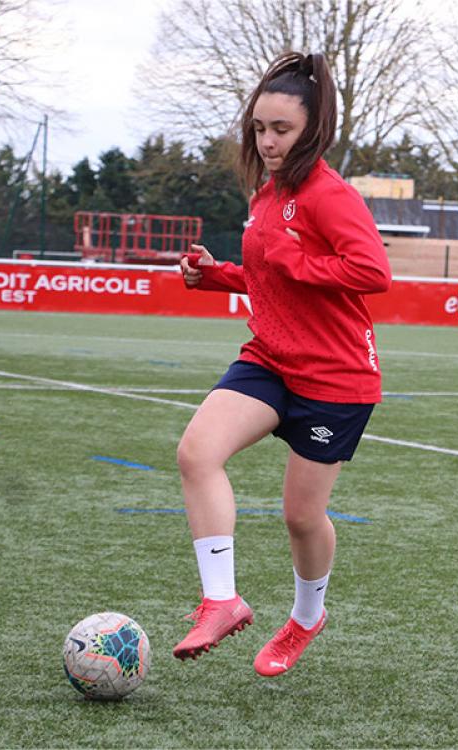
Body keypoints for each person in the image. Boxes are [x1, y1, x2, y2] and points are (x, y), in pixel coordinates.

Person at [171, 51, 391, 678]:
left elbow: (373, 273)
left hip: (336, 378)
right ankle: (222, 600)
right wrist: (217, 277)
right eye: (260, 129)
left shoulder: (330, 196)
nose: (267, 141)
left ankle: (305, 616)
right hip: (269, 359)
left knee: (301, 517)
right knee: (197, 453)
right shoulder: (268, 195)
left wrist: (297, 262)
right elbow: (273, 273)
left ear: (312, 129)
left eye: (281, 130)